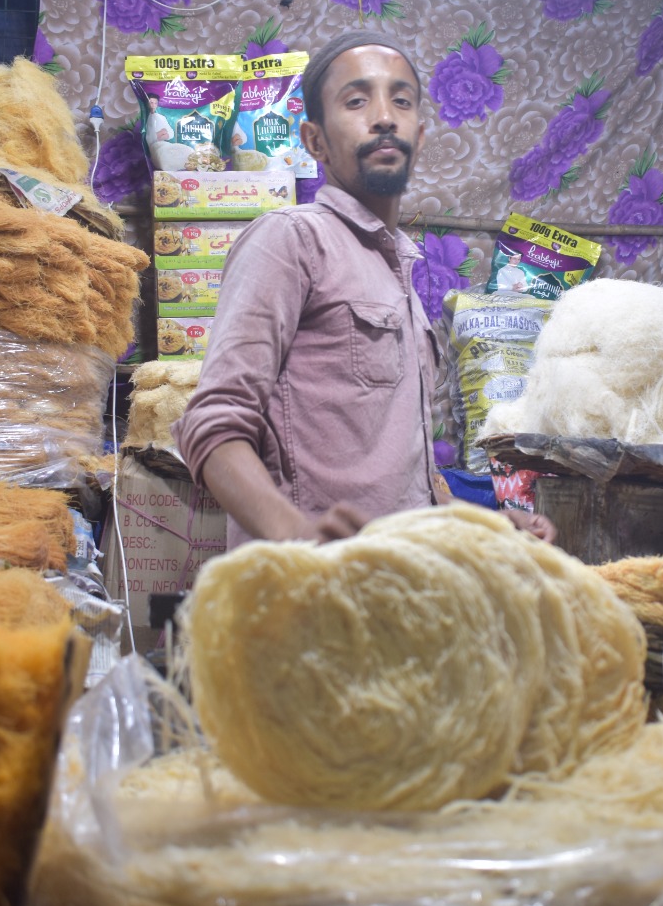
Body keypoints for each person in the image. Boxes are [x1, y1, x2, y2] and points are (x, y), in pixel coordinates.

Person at [175, 30, 554, 547]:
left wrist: (484, 525)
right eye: (356, 101)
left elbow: (402, 481)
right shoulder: (291, 240)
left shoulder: (399, 269)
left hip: (397, 592)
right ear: (315, 141)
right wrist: (294, 534)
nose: (383, 116)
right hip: (313, 599)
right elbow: (213, 427)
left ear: (419, 136)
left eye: (401, 100)